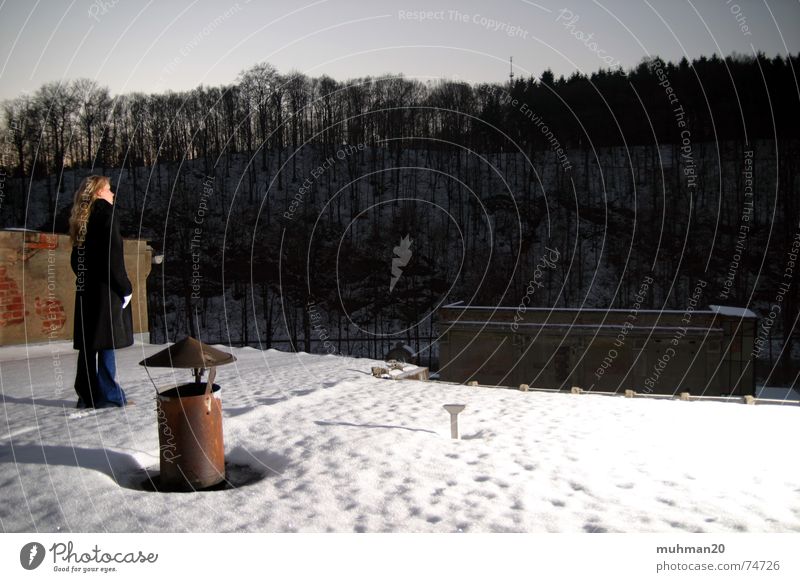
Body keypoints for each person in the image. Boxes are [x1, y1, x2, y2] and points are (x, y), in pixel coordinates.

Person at [68, 175, 134, 408]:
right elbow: (112, 256)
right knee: (106, 341)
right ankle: (109, 396)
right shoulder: (106, 213)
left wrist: (88, 280)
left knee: (89, 344)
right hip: (106, 291)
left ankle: (86, 396)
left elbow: (76, 260)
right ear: (98, 193)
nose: (112, 193)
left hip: (87, 291)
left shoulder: (82, 217)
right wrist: (125, 287)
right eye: (108, 189)